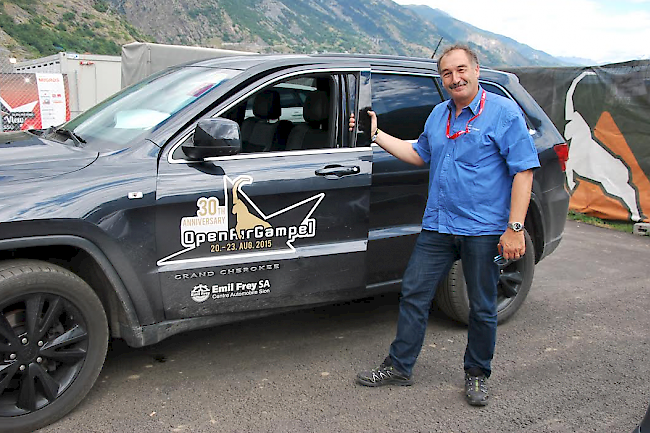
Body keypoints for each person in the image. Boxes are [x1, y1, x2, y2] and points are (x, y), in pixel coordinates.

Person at [350, 44, 540, 406]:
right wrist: (376, 134)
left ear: (476, 70)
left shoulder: (503, 114)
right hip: (438, 226)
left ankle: (477, 375)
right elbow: (418, 154)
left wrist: (514, 228)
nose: (455, 78)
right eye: (447, 73)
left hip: (483, 229)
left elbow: (523, 172)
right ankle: (400, 367)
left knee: (482, 306)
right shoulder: (439, 114)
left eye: (461, 70)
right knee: (414, 294)